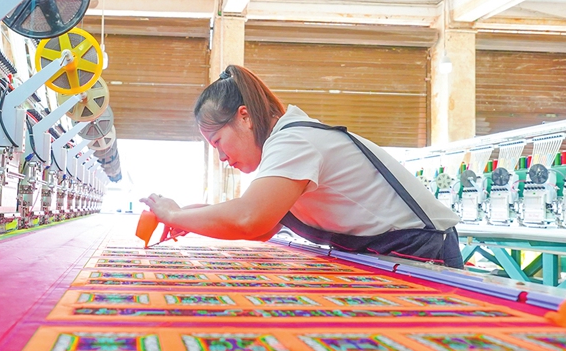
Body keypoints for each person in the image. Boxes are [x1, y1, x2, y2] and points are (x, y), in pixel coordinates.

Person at [140, 64, 464, 268]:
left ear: (245, 117)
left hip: (420, 252)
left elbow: (249, 218)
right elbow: (260, 224)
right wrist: (186, 217)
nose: (222, 158)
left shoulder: (293, 141)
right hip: (394, 251)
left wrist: (175, 216)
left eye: (218, 142)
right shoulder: (285, 146)